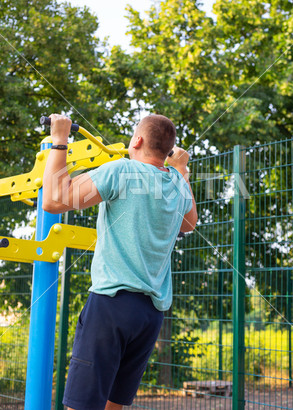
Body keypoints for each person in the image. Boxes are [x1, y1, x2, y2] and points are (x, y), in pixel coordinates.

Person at [42, 113, 198, 410]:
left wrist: (59, 140)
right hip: (151, 315)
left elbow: (54, 199)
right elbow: (189, 223)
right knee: (114, 405)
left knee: (82, 405)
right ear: (166, 152)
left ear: (137, 140)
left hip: (112, 306)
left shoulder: (122, 170)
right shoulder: (176, 182)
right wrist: (181, 169)